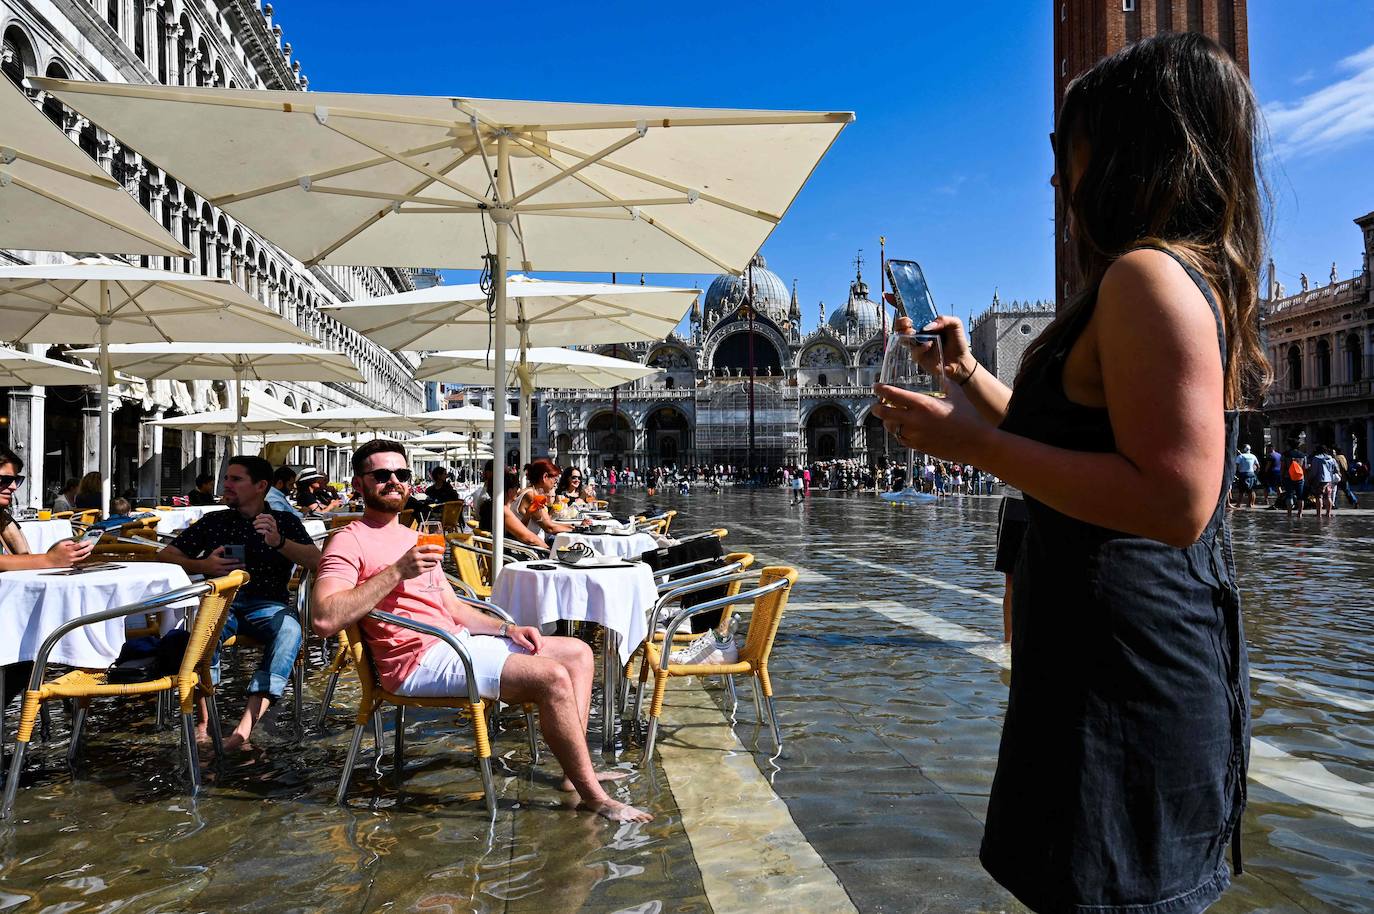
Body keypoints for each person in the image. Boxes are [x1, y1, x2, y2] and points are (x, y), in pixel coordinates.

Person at [873, 34, 1261, 914]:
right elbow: (1085, 445)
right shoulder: (1144, 280)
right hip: (1094, 665)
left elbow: (1175, 501)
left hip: (1128, 680)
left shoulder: (1144, 279)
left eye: (1071, 148)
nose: (1057, 178)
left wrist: (969, 446)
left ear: (1132, 148)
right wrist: (968, 378)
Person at [310, 440, 651, 823]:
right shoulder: (349, 539)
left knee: (578, 653)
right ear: (359, 484)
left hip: (455, 644)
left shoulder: (411, 535)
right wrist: (397, 572)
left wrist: (507, 627)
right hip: (415, 663)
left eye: (401, 474)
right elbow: (323, 618)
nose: (394, 481)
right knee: (551, 678)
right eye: (382, 475)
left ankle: (575, 776)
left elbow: (452, 607)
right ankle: (595, 796)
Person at [161, 455, 320, 752]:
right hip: (223, 601)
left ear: (261, 486)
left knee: (290, 632)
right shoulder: (215, 521)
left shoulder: (283, 521)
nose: (226, 485)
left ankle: (243, 729)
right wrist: (202, 564)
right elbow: (166, 556)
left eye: (236, 479)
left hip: (268, 604)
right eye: (226, 479)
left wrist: (279, 542)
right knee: (205, 633)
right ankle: (204, 723)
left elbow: (317, 561)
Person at [1, 447, 96, 712]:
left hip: (7, 619)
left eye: (14, 481)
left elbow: (23, 556)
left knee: (27, 659)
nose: (11, 487)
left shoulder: (3, 520)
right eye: (3, 480)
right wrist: (50, 560)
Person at [479, 468, 551, 551]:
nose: (518, 492)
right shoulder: (502, 510)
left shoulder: (490, 506)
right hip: (507, 557)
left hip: (495, 553)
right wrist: (549, 551)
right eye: (516, 489)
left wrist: (528, 514)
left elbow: (516, 532)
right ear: (510, 491)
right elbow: (530, 538)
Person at [516, 459, 586, 544]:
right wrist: (579, 529)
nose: (555, 483)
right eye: (555, 479)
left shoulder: (529, 492)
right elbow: (549, 528)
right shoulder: (532, 496)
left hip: (534, 543)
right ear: (545, 477)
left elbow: (548, 523)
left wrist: (576, 526)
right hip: (534, 548)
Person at [1310, 444, 1340, 519]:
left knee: (1319, 497)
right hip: (1329, 480)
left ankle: (1319, 514)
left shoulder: (1316, 458)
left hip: (1319, 480)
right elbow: (1335, 469)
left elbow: (1314, 471)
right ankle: (1328, 513)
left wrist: (1311, 478)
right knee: (1328, 496)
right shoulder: (1331, 458)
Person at [1281, 441, 1306, 518]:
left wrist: (1282, 476)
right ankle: (1300, 513)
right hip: (1299, 477)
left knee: (1289, 495)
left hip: (1288, 477)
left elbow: (1282, 467)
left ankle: (1289, 513)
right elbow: (1304, 468)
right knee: (1300, 496)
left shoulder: (1286, 454)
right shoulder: (1302, 455)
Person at [1233, 444, 1260, 508]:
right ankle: (1251, 504)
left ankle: (1238, 504)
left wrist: (1235, 473)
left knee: (1241, 491)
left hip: (1243, 475)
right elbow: (1258, 466)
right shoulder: (1253, 456)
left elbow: (1236, 465)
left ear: (1244, 449)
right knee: (1251, 490)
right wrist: (1255, 473)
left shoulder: (1240, 456)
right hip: (1252, 474)